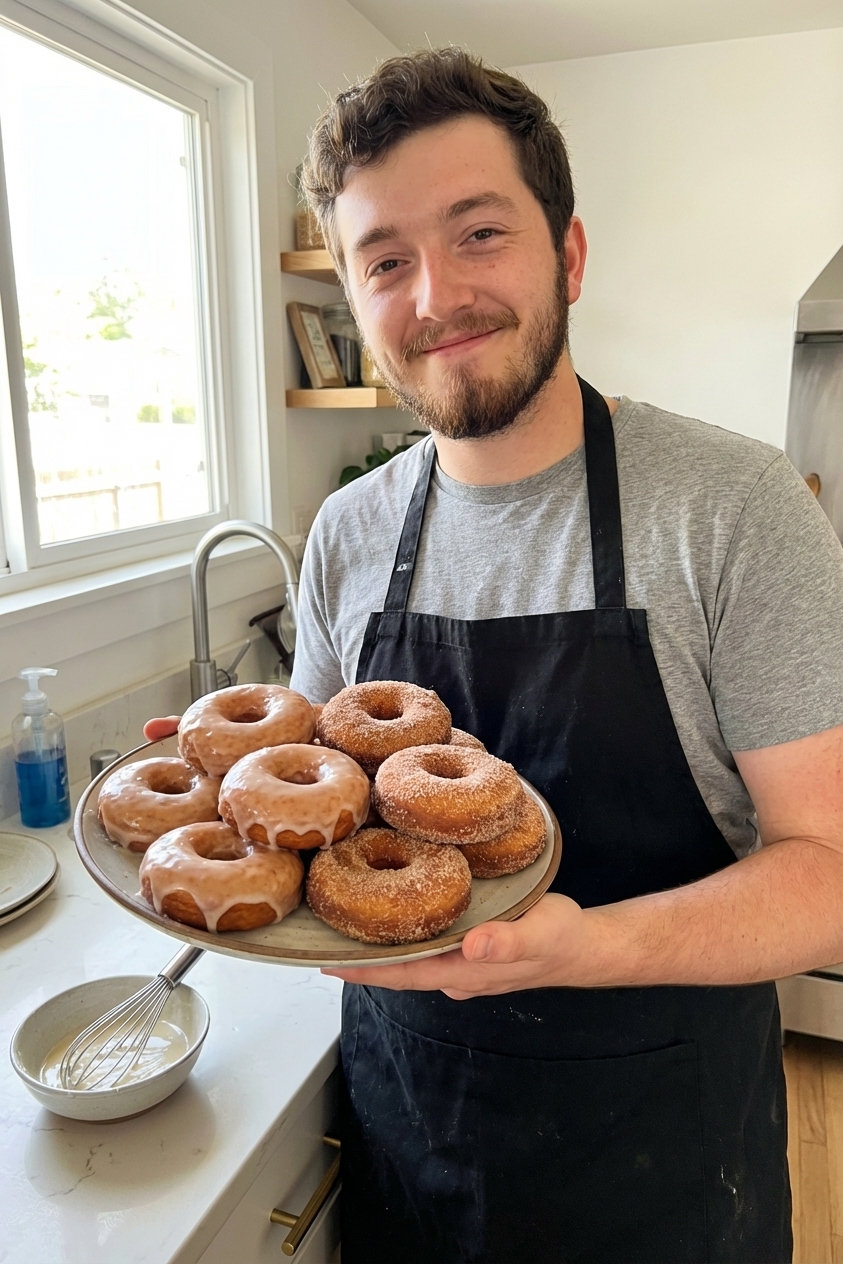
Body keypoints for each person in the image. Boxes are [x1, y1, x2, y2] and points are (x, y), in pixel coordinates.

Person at [148, 48, 843, 1264]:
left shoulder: (734, 506)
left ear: (567, 256)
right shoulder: (352, 533)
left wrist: (590, 947)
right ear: (358, 305)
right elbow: (316, 809)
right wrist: (215, 792)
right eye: (385, 262)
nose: (434, 297)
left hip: (667, 1171)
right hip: (413, 1138)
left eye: (479, 233)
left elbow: (831, 869)